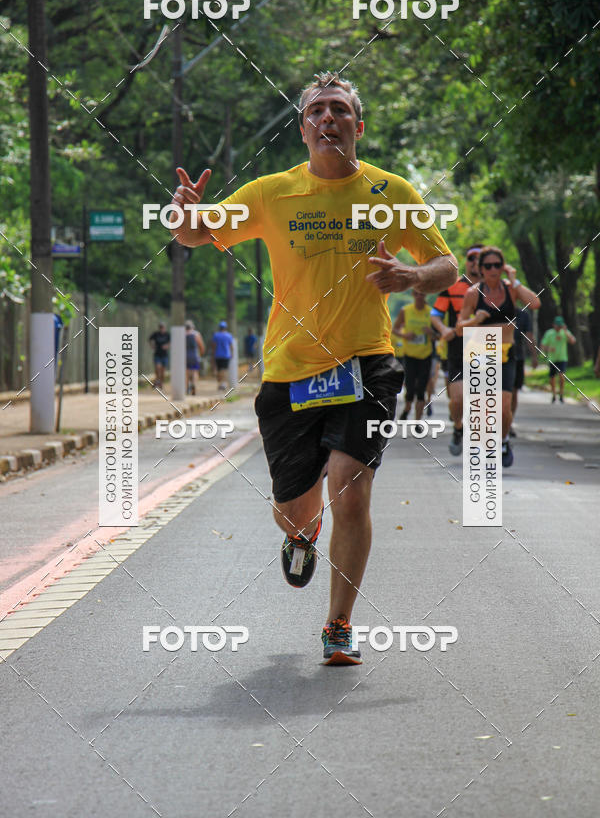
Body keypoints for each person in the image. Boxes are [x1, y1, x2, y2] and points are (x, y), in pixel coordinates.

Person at [169, 71, 457, 665]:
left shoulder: (392, 192)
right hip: (290, 368)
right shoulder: (270, 193)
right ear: (303, 130)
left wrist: (411, 275)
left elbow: (447, 266)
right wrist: (184, 215)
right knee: (293, 509)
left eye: (339, 110)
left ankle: (338, 625)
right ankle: (303, 534)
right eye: (317, 111)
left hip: (367, 363)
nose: (328, 118)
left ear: (359, 126)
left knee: (349, 490)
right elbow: (196, 236)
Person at [457, 246, 540, 467]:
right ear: (481, 269)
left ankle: (502, 441)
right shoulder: (473, 294)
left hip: (505, 353)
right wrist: (475, 320)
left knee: (503, 407)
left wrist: (515, 281)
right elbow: (459, 328)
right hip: (479, 354)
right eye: (488, 266)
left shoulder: (511, 290)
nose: (493, 270)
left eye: (497, 265)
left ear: (503, 267)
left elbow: (535, 303)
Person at [430, 244, 484, 455]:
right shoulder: (453, 287)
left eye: (480, 258)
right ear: (466, 261)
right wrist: (444, 329)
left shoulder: (496, 290)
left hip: (487, 350)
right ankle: (458, 427)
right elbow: (436, 314)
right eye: (471, 258)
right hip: (458, 350)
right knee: (458, 398)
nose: (475, 263)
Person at [393, 289, 434, 421]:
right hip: (409, 355)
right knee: (410, 388)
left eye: (422, 293)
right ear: (413, 295)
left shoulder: (431, 312)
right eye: (416, 293)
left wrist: (431, 333)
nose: (419, 296)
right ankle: (407, 408)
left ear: (426, 295)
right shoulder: (405, 310)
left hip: (425, 356)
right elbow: (394, 329)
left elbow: (439, 335)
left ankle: (417, 421)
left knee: (421, 390)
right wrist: (405, 335)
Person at [510, 303, 537, 434]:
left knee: (513, 391)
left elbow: (529, 336)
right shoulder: (495, 311)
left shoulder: (523, 315)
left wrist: (534, 356)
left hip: (517, 357)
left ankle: (508, 422)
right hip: (496, 358)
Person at [541, 316, 576, 402]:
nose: (558, 327)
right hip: (552, 358)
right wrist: (549, 349)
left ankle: (561, 394)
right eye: (557, 325)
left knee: (561, 376)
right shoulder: (549, 333)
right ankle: (553, 394)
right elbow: (542, 346)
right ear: (554, 325)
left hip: (562, 358)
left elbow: (573, 341)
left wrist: (565, 331)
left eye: (560, 326)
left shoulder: (565, 333)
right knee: (552, 377)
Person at [185, 320, 206, 395]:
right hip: (194, 355)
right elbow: (201, 346)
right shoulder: (196, 334)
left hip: (185, 356)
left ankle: (187, 387)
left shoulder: (183, 334)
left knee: (186, 372)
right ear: (192, 327)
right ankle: (193, 384)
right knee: (195, 371)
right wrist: (201, 354)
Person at [212, 320, 233, 391]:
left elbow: (214, 346)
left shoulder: (216, 335)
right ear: (225, 327)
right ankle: (223, 384)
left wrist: (213, 354)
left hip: (218, 355)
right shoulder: (229, 335)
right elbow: (231, 346)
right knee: (224, 370)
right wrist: (232, 353)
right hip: (226, 355)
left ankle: (220, 383)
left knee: (219, 370)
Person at [149, 321, 170, 389]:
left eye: (162, 327)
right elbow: (150, 339)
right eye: (160, 327)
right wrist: (152, 346)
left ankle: (161, 383)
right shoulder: (156, 334)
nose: (162, 329)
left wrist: (167, 346)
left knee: (163, 371)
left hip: (164, 355)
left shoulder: (167, 334)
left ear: (165, 328)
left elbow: (170, 342)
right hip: (157, 354)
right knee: (158, 368)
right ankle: (157, 380)